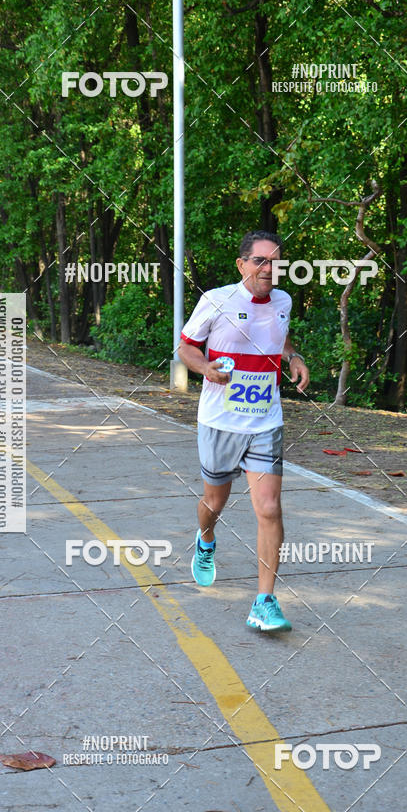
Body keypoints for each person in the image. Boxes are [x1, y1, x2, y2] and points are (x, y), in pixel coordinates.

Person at [178, 230, 309, 632]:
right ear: (242, 264)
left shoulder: (284, 301)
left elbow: (278, 336)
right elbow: (185, 347)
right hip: (220, 422)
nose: (269, 269)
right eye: (260, 261)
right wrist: (204, 369)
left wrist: (293, 356)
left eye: (275, 262)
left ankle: (264, 601)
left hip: (265, 422)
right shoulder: (216, 300)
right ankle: (205, 540)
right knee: (214, 503)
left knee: (269, 508)